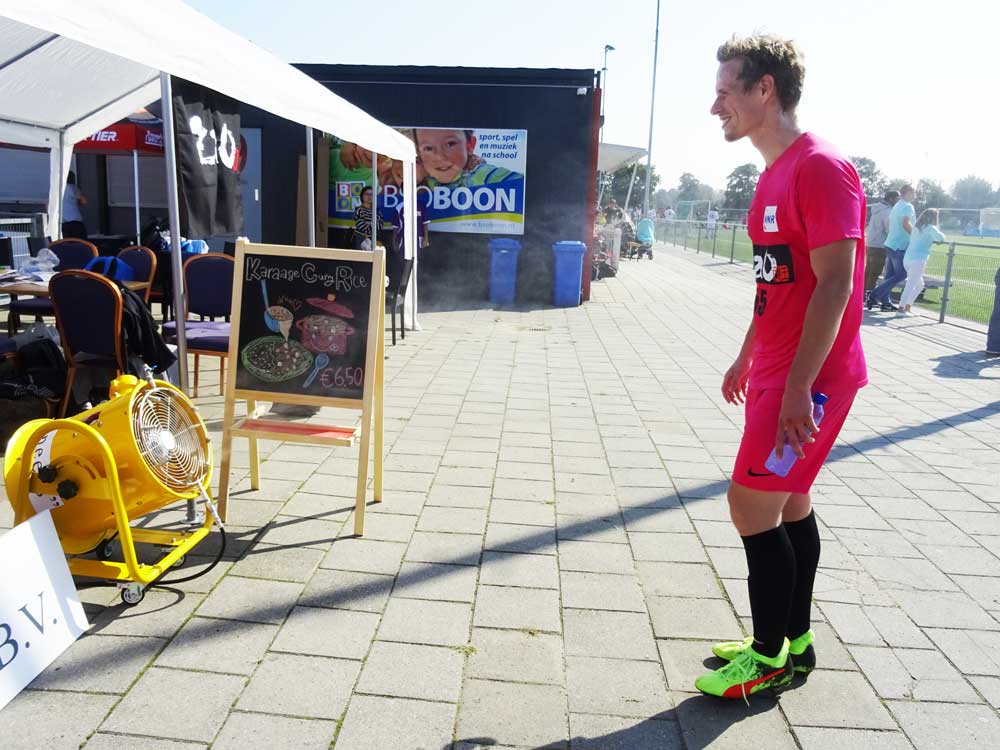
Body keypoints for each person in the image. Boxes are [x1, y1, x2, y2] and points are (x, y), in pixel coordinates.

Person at [700, 33, 867, 700]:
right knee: (790, 501)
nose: (716, 108)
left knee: (748, 505)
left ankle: (765, 659)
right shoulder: (769, 175)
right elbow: (780, 282)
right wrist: (747, 351)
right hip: (777, 369)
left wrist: (798, 385)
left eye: (724, 92)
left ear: (763, 88)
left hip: (812, 378)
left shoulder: (821, 167)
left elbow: (836, 284)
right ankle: (793, 645)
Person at [413, 129, 523, 189]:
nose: (440, 156)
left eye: (450, 144)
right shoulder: (422, 177)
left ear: (470, 145)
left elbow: (520, 185)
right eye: (428, 148)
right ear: (418, 153)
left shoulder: (482, 174)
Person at [869, 184, 916, 311]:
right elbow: (906, 224)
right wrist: (916, 236)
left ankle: (885, 301)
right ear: (906, 193)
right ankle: (874, 294)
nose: (914, 196)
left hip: (890, 243)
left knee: (890, 275)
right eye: (913, 193)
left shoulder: (897, 205)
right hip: (899, 245)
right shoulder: (907, 206)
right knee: (901, 275)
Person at [898, 209, 945, 315]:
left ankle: (907, 307)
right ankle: (901, 309)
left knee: (920, 285)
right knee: (911, 285)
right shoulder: (931, 228)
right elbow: (941, 238)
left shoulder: (916, 227)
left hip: (908, 258)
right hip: (918, 260)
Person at [863, 189, 899, 299]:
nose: (897, 201)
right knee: (875, 272)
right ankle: (869, 295)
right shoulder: (887, 212)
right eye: (896, 199)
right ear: (891, 198)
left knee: (868, 271)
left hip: (870, 243)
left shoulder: (877, 209)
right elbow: (889, 230)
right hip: (879, 245)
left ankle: (863, 293)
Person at [62, 170, 88, 239]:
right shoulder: (71, 187)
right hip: (75, 221)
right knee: (81, 244)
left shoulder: (57, 189)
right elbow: (84, 201)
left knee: (66, 245)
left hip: (63, 222)